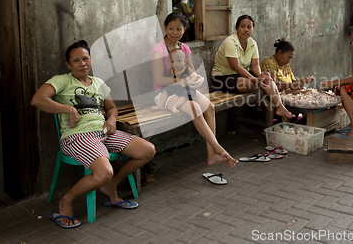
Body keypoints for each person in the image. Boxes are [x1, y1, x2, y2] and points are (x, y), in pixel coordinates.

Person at [31, 40, 155, 228]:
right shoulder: (61, 80)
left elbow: (112, 108)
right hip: (77, 136)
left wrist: (111, 119)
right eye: (76, 60)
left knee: (147, 150)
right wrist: (68, 109)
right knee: (104, 171)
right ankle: (66, 200)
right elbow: (38, 100)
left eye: (86, 59)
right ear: (68, 64)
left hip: (104, 132)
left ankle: (111, 184)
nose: (82, 63)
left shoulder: (99, 83)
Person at [151, 12, 238, 168]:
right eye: (171, 28)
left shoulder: (184, 48)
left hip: (185, 90)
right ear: (165, 27)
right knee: (195, 107)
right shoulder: (159, 50)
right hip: (165, 93)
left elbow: (191, 70)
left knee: (209, 107)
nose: (174, 33)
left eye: (179, 29)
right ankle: (219, 149)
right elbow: (159, 80)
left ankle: (211, 156)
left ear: (184, 29)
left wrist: (197, 80)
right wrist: (182, 81)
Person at [211, 15, 295, 119]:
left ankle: (280, 107)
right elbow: (235, 67)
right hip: (222, 78)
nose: (246, 29)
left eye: (249, 27)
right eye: (242, 26)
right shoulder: (230, 42)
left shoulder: (252, 43)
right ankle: (268, 92)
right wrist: (255, 79)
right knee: (249, 83)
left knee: (266, 78)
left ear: (253, 29)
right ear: (237, 28)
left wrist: (260, 76)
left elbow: (254, 65)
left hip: (240, 75)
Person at [152, 48, 200, 113]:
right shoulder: (171, 71)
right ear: (169, 62)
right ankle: (161, 104)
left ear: (185, 61)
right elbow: (171, 81)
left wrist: (188, 82)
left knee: (187, 93)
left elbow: (195, 77)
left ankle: (175, 106)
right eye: (172, 62)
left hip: (185, 87)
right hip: (176, 88)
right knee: (165, 89)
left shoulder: (187, 68)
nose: (176, 64)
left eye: (179, 61)